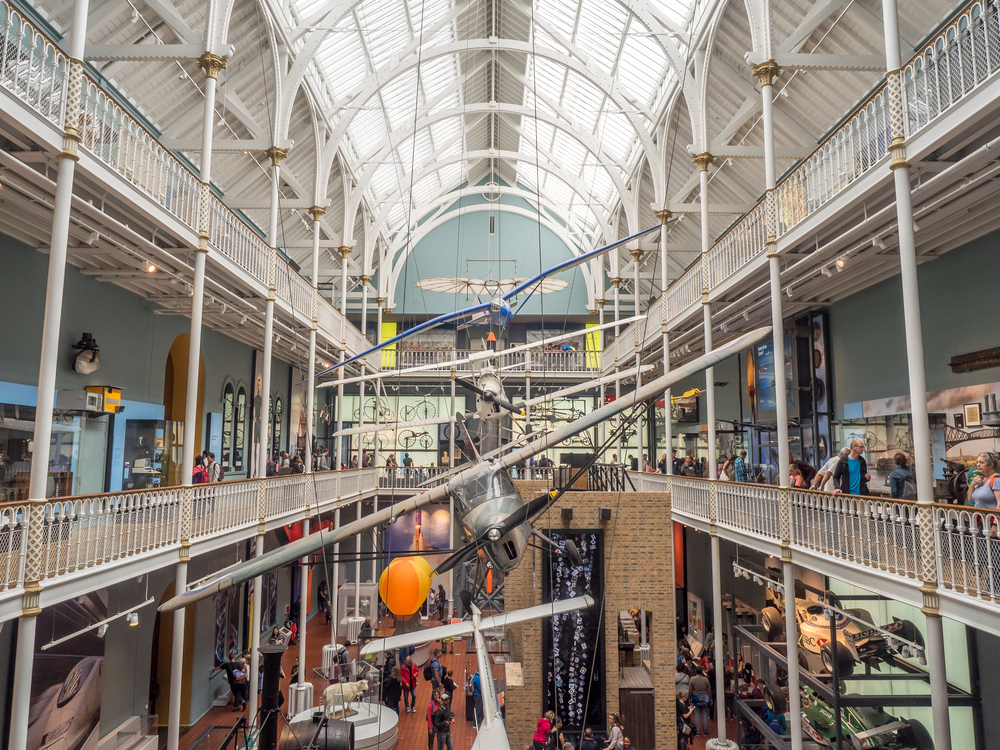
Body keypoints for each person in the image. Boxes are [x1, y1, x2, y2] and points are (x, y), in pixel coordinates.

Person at [689, 666, 712, 736]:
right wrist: (710, 699)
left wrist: (689, 698)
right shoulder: (706, 679)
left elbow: (690, 690)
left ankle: (697, 731)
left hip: (696, 697)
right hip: (705, 698)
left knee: (697, 714)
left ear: (695, 671)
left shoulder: (692, 679)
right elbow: (709, 690)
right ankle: (705, 731)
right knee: (705, 714)